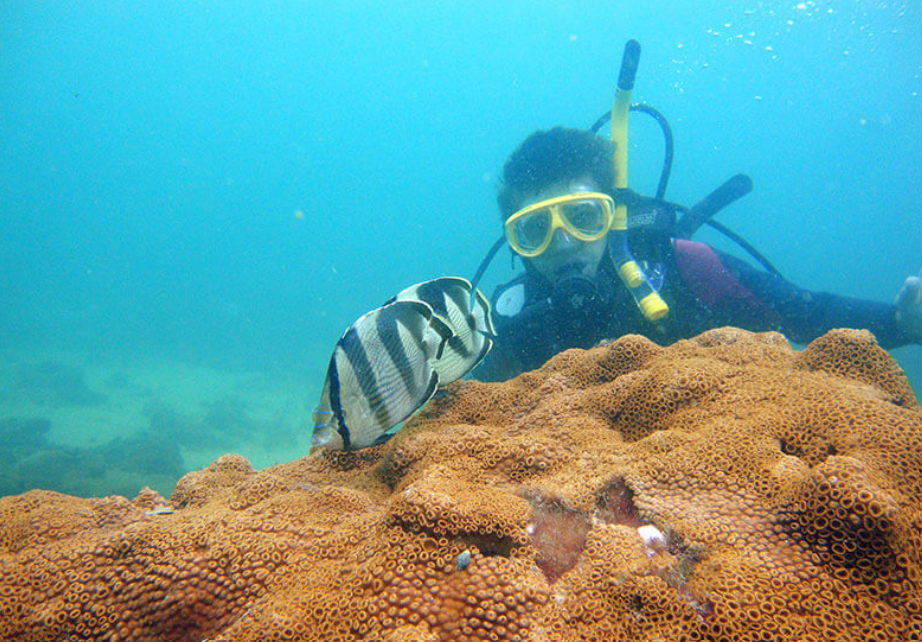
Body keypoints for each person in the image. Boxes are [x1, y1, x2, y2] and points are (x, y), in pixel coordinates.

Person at [473, 127, 922, 382]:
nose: (565, 241)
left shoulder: (684, 266)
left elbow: (805, 312)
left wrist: (902, 323)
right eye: (535, 229)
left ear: (615, 217)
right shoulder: (505, 321)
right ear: (515, 242)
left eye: (583, 217)